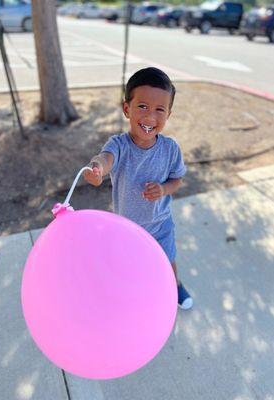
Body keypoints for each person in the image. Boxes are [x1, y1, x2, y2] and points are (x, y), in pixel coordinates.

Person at [83, 67, 193, 310]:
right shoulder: (119, 145)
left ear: (169, 114)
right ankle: (128, 292)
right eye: (142, 106)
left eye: (159, 110)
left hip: (160, 224)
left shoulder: (170, 149)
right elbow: (105, 158)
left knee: (168, 259)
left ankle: (174, 286)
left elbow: (177, 180)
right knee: (127, 265)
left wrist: (164, 190)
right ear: (126, 109)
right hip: (127, 227)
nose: (150, 117)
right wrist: (97, 168)